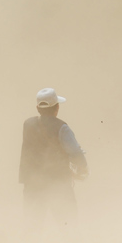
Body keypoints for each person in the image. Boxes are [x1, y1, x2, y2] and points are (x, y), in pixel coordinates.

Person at [19, 88, 88, 231]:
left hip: (32, 184)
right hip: (58, 184)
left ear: (37, 108)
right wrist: (83, 169)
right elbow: (75, 152)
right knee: (68, 226)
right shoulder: (62, 127)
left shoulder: (27, 124)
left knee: (32, 227)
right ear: (57, 107)